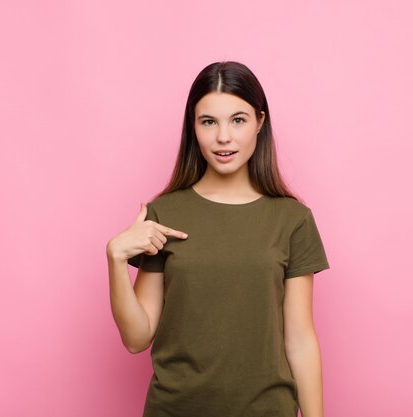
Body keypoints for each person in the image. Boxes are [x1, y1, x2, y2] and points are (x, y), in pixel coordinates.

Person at [106, 61, 330, 417]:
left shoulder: (292, 219)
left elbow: (300, 340)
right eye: (208, 121)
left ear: (260, 122)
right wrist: (116, 259)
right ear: (193, 128)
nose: (223, 137)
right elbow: (136, 338)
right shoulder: (164, 214)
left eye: (237, 120)